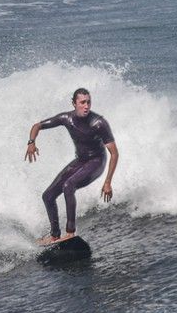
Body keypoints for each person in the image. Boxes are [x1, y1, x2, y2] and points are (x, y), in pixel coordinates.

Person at [25, 88, 119, 245]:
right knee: (47, 196)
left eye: (88, 102)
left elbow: (114, 153)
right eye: (82, 102)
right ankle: (55, 235)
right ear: (74, 103)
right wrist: (31, 142)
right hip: (80, 161)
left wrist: (108, 182)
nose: (86, 106)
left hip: (97, 161)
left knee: (69, 185)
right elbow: (37, 126)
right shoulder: (66, 118)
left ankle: (70, 233)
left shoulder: (99, 123)